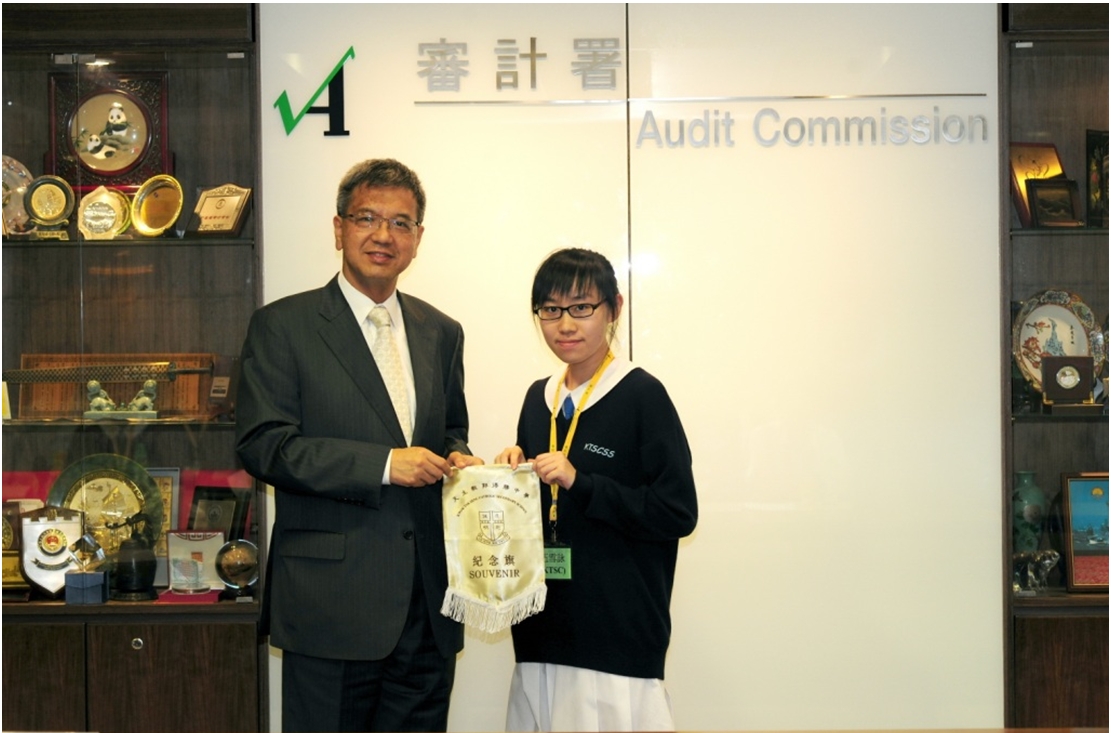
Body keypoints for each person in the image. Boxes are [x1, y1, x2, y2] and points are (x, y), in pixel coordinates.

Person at [235, 158, 483, 733]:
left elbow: (451, 429)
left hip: (427, 605)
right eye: (367, 217)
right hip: (331, 604)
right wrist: (383, 466)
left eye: (401, 223)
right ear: (339, 228)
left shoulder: (441, 331)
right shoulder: (283, 326)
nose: (383, 235)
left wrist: (459, 459)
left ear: (418, 239)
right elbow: (264, 445)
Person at [495, 248, 698, 732]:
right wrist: (511, 474)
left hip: (616, 631)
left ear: (615, 308)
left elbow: (676, 511)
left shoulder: (641, 394)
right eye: (550, 309)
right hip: (542, 625)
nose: (565, 324)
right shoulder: (537, 396)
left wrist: (581, 482)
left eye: (581, 307)